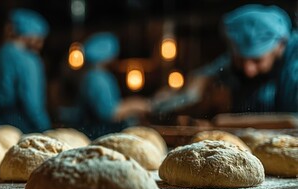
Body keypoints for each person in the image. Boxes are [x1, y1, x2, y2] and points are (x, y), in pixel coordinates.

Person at [154, 4, 298, 123]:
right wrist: (176, 101)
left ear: (280, 44)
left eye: (257, 60)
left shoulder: (294, 64)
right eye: (241, 59)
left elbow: (293, 122)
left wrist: (223, 122)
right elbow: (202, 77)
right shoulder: (239, 55)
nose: (248, 70)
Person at [64, 32, 149, 138]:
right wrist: (134, 105)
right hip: (96, 136)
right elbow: (108, 113)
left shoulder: (97, 75)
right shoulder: (97, 78)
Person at [0, 9, 50, 133]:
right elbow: (32, 104)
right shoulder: (29, 61)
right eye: (40, 38)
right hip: (21, 131)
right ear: (31, 35)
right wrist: (45, 129)